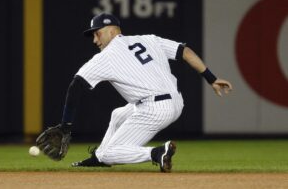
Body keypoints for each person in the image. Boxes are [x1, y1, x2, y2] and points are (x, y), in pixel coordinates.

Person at [59, 13, 232, 172]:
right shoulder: (149, 39)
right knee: (118, 114)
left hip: (154, 108)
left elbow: (76, 86)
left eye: (98, 34)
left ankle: (157, 153)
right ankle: (98, 158)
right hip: (176, 101)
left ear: (111, 31)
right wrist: (211, 78)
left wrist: (65, 126)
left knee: (110, 153)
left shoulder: (107, 55)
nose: (95, 40)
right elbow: (185, 52)